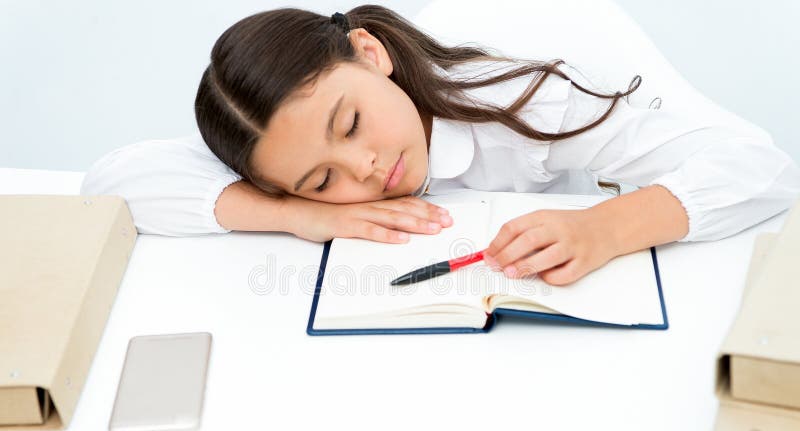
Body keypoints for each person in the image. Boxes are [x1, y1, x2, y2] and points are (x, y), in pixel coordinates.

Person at [81, 5, 800, 286]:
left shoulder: (534, 87)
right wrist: (301, 216)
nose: (364, 170)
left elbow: (762, 170)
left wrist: (606, 227)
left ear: (368, 54)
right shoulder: (286, 141)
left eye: (352, 125)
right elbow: (115, 184)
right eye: (322, 180)